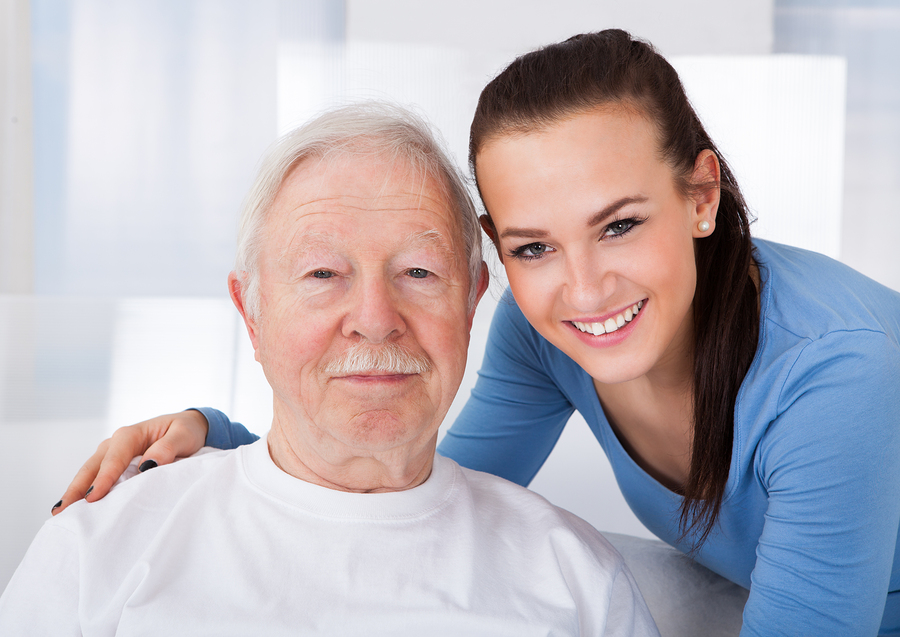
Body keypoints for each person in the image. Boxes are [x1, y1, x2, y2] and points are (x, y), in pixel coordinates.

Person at [54, 29, 900, 636]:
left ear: (701, 196)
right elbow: (427, 479)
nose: (583, 285)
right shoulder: (548, 334)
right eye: (536, 245)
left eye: (619, 225)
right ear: (501, 254)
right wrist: (229, 441)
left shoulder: (836, 372)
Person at [0, 103, 660, 636]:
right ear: (250, 313)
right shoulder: (97, 546)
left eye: (418, 273)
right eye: (323, 274)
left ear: (470, 302)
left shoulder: (575, 578)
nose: (375, 318)